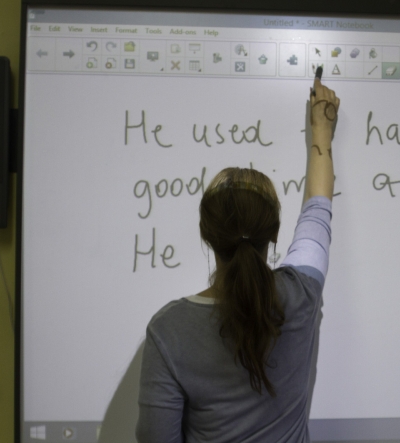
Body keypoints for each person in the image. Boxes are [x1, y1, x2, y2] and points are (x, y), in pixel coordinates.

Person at [136, 79, 340, 443]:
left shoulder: (169, 329)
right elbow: (318, 209)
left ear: (206, 234)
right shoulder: (301, 293)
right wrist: (322, 129)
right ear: (274, 234)